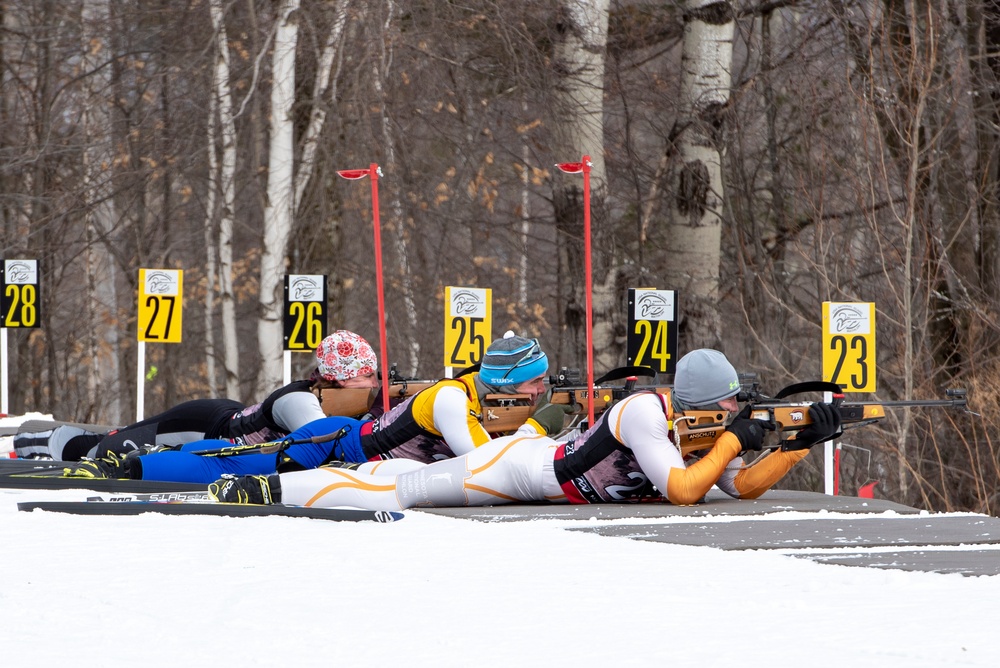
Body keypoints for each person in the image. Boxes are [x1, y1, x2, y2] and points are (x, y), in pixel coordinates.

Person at [208, 348, 842, 510]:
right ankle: (270, 489)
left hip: (535, 471)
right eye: (728, 407)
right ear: (707, 401)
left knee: (394, 479)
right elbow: (681, 489)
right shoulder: (648, 411)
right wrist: (740, 437)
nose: (732, 418)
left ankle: (290, 485)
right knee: (395, 489)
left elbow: (738, 486)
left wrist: (797, 446)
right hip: (516, 470)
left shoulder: (702, 432)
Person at [68, 331, 567, 484]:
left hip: (345, 449)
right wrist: (536, 434)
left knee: (247, 456)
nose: (537, 395)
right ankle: (134, 466)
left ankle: (135, 460)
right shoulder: (453, 399)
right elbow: (480, 461)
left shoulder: (474, 400)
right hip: (333, 444)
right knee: (246, 463)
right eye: (535, 386)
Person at [65, 330, 379, 477]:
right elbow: (318, 444)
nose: (374, 385)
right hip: (199, 428)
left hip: (224, 421)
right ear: (339, 379)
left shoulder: (334, 398)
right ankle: (39, 441)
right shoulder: (301, 400)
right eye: (366, 377)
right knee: (102, 449)